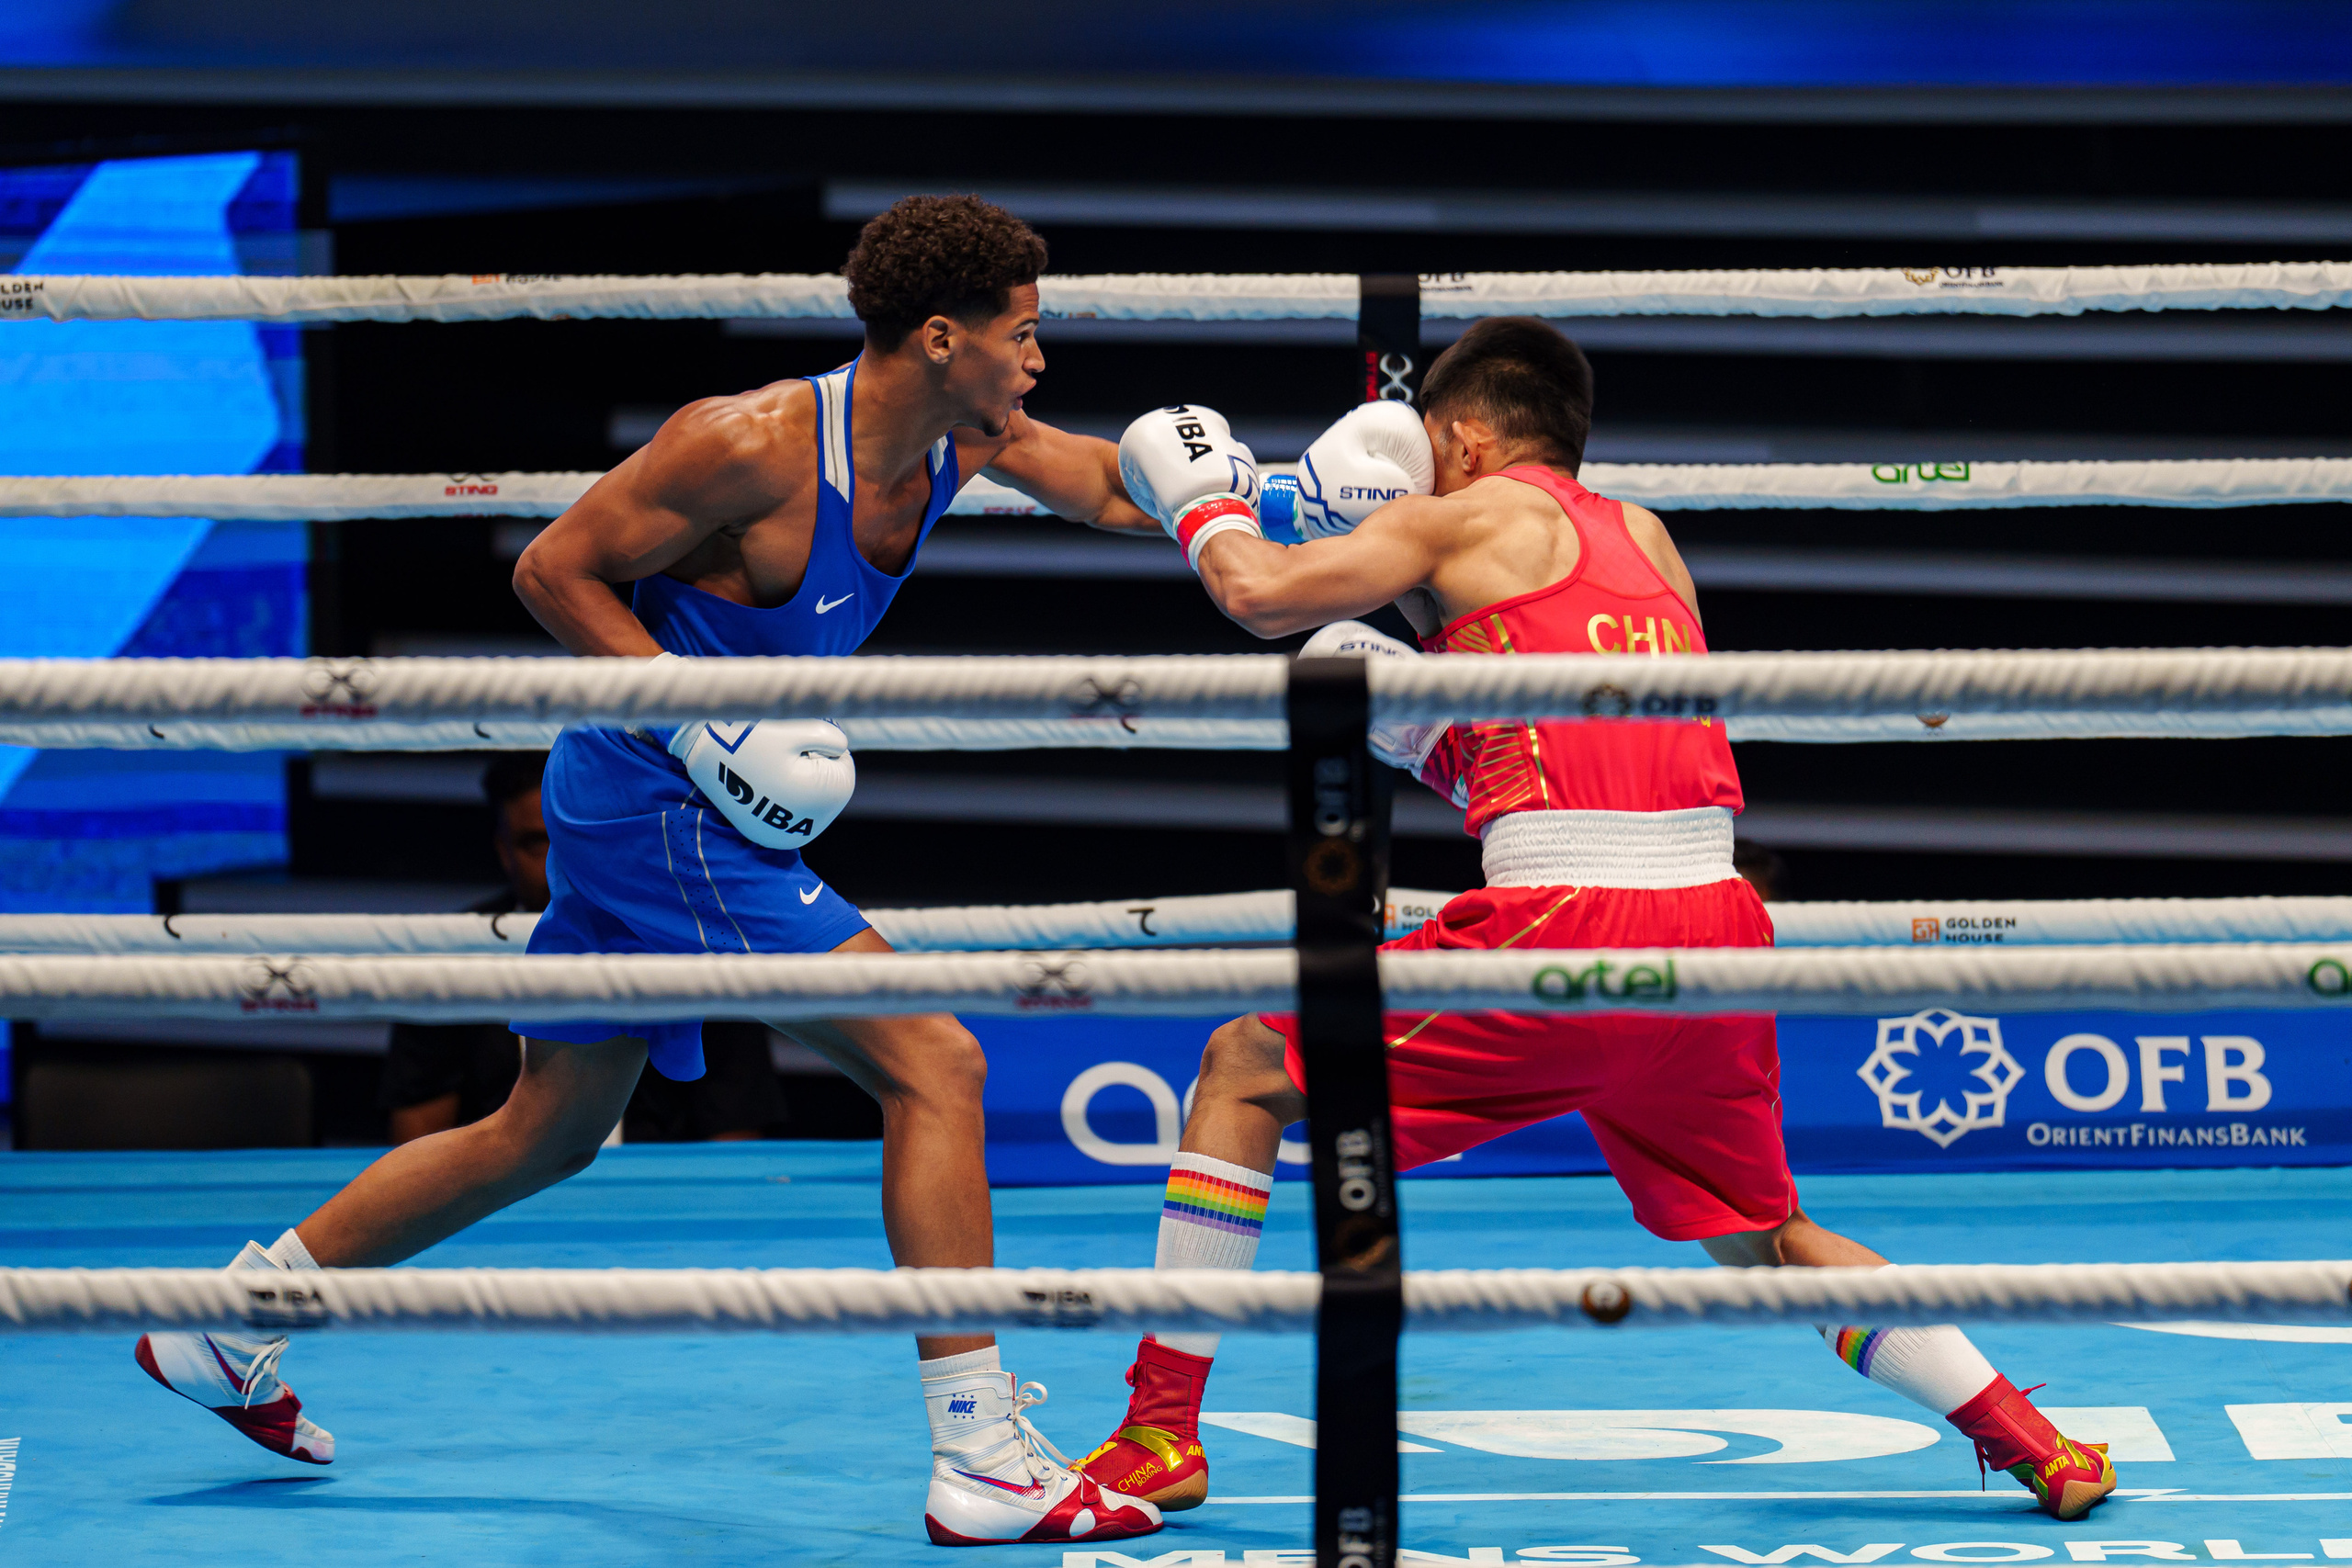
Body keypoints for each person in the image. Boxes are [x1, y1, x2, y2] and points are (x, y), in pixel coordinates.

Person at [136, 195, 1166, 1550]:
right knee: (938, 1061)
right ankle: (981, 1456)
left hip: (659, 796)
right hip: (657, 793)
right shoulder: (746, 443)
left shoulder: (963, 436)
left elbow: (1102, 483)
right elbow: (555, 568)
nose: (1038, 358)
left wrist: (1266, 500)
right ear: (936, 336)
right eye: (1019, 334)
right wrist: (691, 708)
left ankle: (226, 1322)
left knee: (547, 1128)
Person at [1077, 319, 2118, 1524]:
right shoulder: (1652, 540)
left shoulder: (1461, 514)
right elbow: (1586, 731)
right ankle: (2038, 1440)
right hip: (1718, 933)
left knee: (1246, 1066)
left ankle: (1159, 1430)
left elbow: (1256, 593)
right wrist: (1444, 733)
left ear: (1461, 435)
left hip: (1565, 925)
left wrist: (1207, 500)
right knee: (1767, 1238)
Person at [379, 752, 787, 1145]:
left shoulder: (698, 945)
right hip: (502, 1201)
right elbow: (418, 1140)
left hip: (656, 1197)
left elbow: (734, 1141)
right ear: (504, 852)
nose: (563, 860)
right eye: (538, 843)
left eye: (575, 832)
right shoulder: (452, 957)